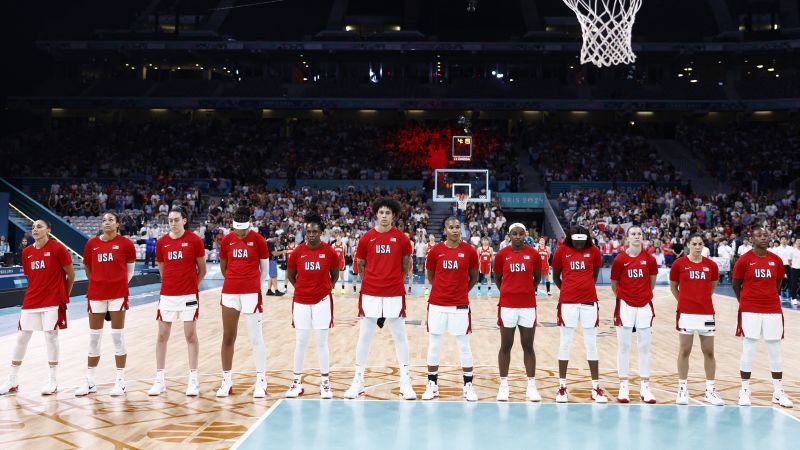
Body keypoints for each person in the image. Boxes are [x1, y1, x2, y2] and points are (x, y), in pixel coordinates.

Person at [344, 198, 416, 400]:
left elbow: (405, 264)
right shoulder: (366, 238)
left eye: (388, 212)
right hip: (370, 293)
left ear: (393, 215)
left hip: (394, 292)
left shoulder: (401, 238)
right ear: (376, 214)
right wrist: (373, 280)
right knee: (364, 337)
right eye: (381, 212)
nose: (384, 215)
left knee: (400, 337)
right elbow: (361, 263)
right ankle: (358, 381)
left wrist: (393, 281)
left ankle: (405, 381)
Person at [0, 220, 74, 395]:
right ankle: (12, 380)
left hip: (53, 300)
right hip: (32, 300)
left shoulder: (58, 248)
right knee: (21, 338)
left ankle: (53, 380)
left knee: (51, 337)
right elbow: (31, 277)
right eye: (33, 227)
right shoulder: (27, 252)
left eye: (39, 227)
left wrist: (64, 296)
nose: (35, 229)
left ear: (48, 230)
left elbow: (70, 274)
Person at [75, 212, 137, 397]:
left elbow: (130, 272)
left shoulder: (126, 244)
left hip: (118, 294)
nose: (106, 222)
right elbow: (88, 269)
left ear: (118, 224)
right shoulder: (91, 244)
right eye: (104, 220)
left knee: (117, 336)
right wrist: (98, 282)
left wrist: (117, 284)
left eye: (111, 220)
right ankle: (90, 381)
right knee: (94, 338)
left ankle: (120, 381)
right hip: (96, 294)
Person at [148, 206, 207, 397]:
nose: (172, 223)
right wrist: (172, 286)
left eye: (176, 219)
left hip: (188, 296)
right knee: (161, 336)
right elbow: (162, 269)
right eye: (170, 220)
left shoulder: (194, 240)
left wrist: (191, 286)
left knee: (190, 336)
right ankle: (159, 380)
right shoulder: (162, 242)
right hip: (167, 295)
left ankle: (193, 380)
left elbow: (202, 270)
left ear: (184, 220)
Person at [732, 225, 793, 407]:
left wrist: (768, 297)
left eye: (765, 235)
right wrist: (744, 302)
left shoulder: (776, 260)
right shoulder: (744, 260)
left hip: (772, 309)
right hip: (750, 309)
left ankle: (778, 391)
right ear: (752, 239)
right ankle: (744, 390)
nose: (764, 238)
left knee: (775, 351)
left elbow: (778, 282)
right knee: (749, 349)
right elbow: (736, 284)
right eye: (759, 235)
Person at [421, 217, 479, 401]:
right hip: (437, 304)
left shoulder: (469, 251)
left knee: (464, 346)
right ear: (445, 230)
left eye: (457, 227)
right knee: (434, 345)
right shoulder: (435, 251)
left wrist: (461, 291)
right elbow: (431, 275)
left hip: (460, 305)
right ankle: (432, 385)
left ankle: (468, 385)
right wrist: (442, 290)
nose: (455, 230)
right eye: (451, 227)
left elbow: (474, 277)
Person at [217, 207, 269, 398]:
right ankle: (226, 381)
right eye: (238, 231)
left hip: (251, 294)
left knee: (256, 338)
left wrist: (253, 285)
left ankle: (261, 381)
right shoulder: (227, 240)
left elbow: (264, 270)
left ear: (249, 224)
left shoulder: (259, 240)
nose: (241, 234)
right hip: (230, 293)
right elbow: (224, 267)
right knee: (228, 337)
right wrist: (234, 280)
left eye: (244, 231)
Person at [286, 213, 339, 399]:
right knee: (300, 342)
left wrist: (324, 289)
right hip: (300, 301)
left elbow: (335, 275)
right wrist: (303, 289)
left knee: (321, 342)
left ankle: (325, 383)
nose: (311, 234)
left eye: (315, 231)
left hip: (322, 302)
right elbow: (291, 275)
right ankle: (296, 383)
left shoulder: (330, 252)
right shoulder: (297, 252)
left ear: (321, 233)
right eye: (308, 231)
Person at [552, 225, 606, 403]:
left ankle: (596, 387)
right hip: (568, 303)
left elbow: (594, 275)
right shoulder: (561, 251)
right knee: (565, 344)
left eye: (582, 240)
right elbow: (556, 277)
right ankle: (562, 387)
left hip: (589, 302)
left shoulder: (594, 251)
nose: (579, 243)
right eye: (576, 239)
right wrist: (567, 290)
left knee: (591, 344)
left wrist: (583, 289)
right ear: (571, 238)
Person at [669, 233, 724, 406]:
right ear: (688, 245)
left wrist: (701, 300)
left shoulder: (711, 266)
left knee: (709, 352)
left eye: (700, 244)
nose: (698, 247)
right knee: (685, 350)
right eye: (694, 244)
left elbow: (712, 287)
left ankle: (710, 391)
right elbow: (673, 287)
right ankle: (682, 389)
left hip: (706, 313)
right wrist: (684, 301)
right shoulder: (679, 264)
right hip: (686, 314)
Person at [610, 226, 658, 403]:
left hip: (644, 306)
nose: (637, 236)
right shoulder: (619, 259)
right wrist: (625, 298)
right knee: (624, 347)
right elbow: (614, 285)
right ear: (627, 238)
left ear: (642, 237)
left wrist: (642, 296)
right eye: (633, 234)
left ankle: (645, 387)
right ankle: (624, 386)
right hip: (625, 306)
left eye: (639, 234)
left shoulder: (650, 259)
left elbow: (651, 283)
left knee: (644, 347)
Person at [494, 223, 542, 402]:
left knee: (528, 346)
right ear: (509, 235)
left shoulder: (533, 254)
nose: (517, 236)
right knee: (506, 346)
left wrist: (527, 290)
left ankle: (531, 386)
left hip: (528, 305)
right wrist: (508, 291)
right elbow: (498, 278)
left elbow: (537, 277)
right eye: (514, 234)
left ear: (525, 235)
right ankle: (503, 386)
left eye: (521, 234)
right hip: (507, 305)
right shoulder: (501, 255)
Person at [790, 238, 800, 306]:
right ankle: (793, 298)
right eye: (798, 241)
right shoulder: (792, 251)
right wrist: (793, 266)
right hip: (795, 269)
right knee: (794, 284)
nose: (799, 242)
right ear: (795, 242)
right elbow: (789, 260)